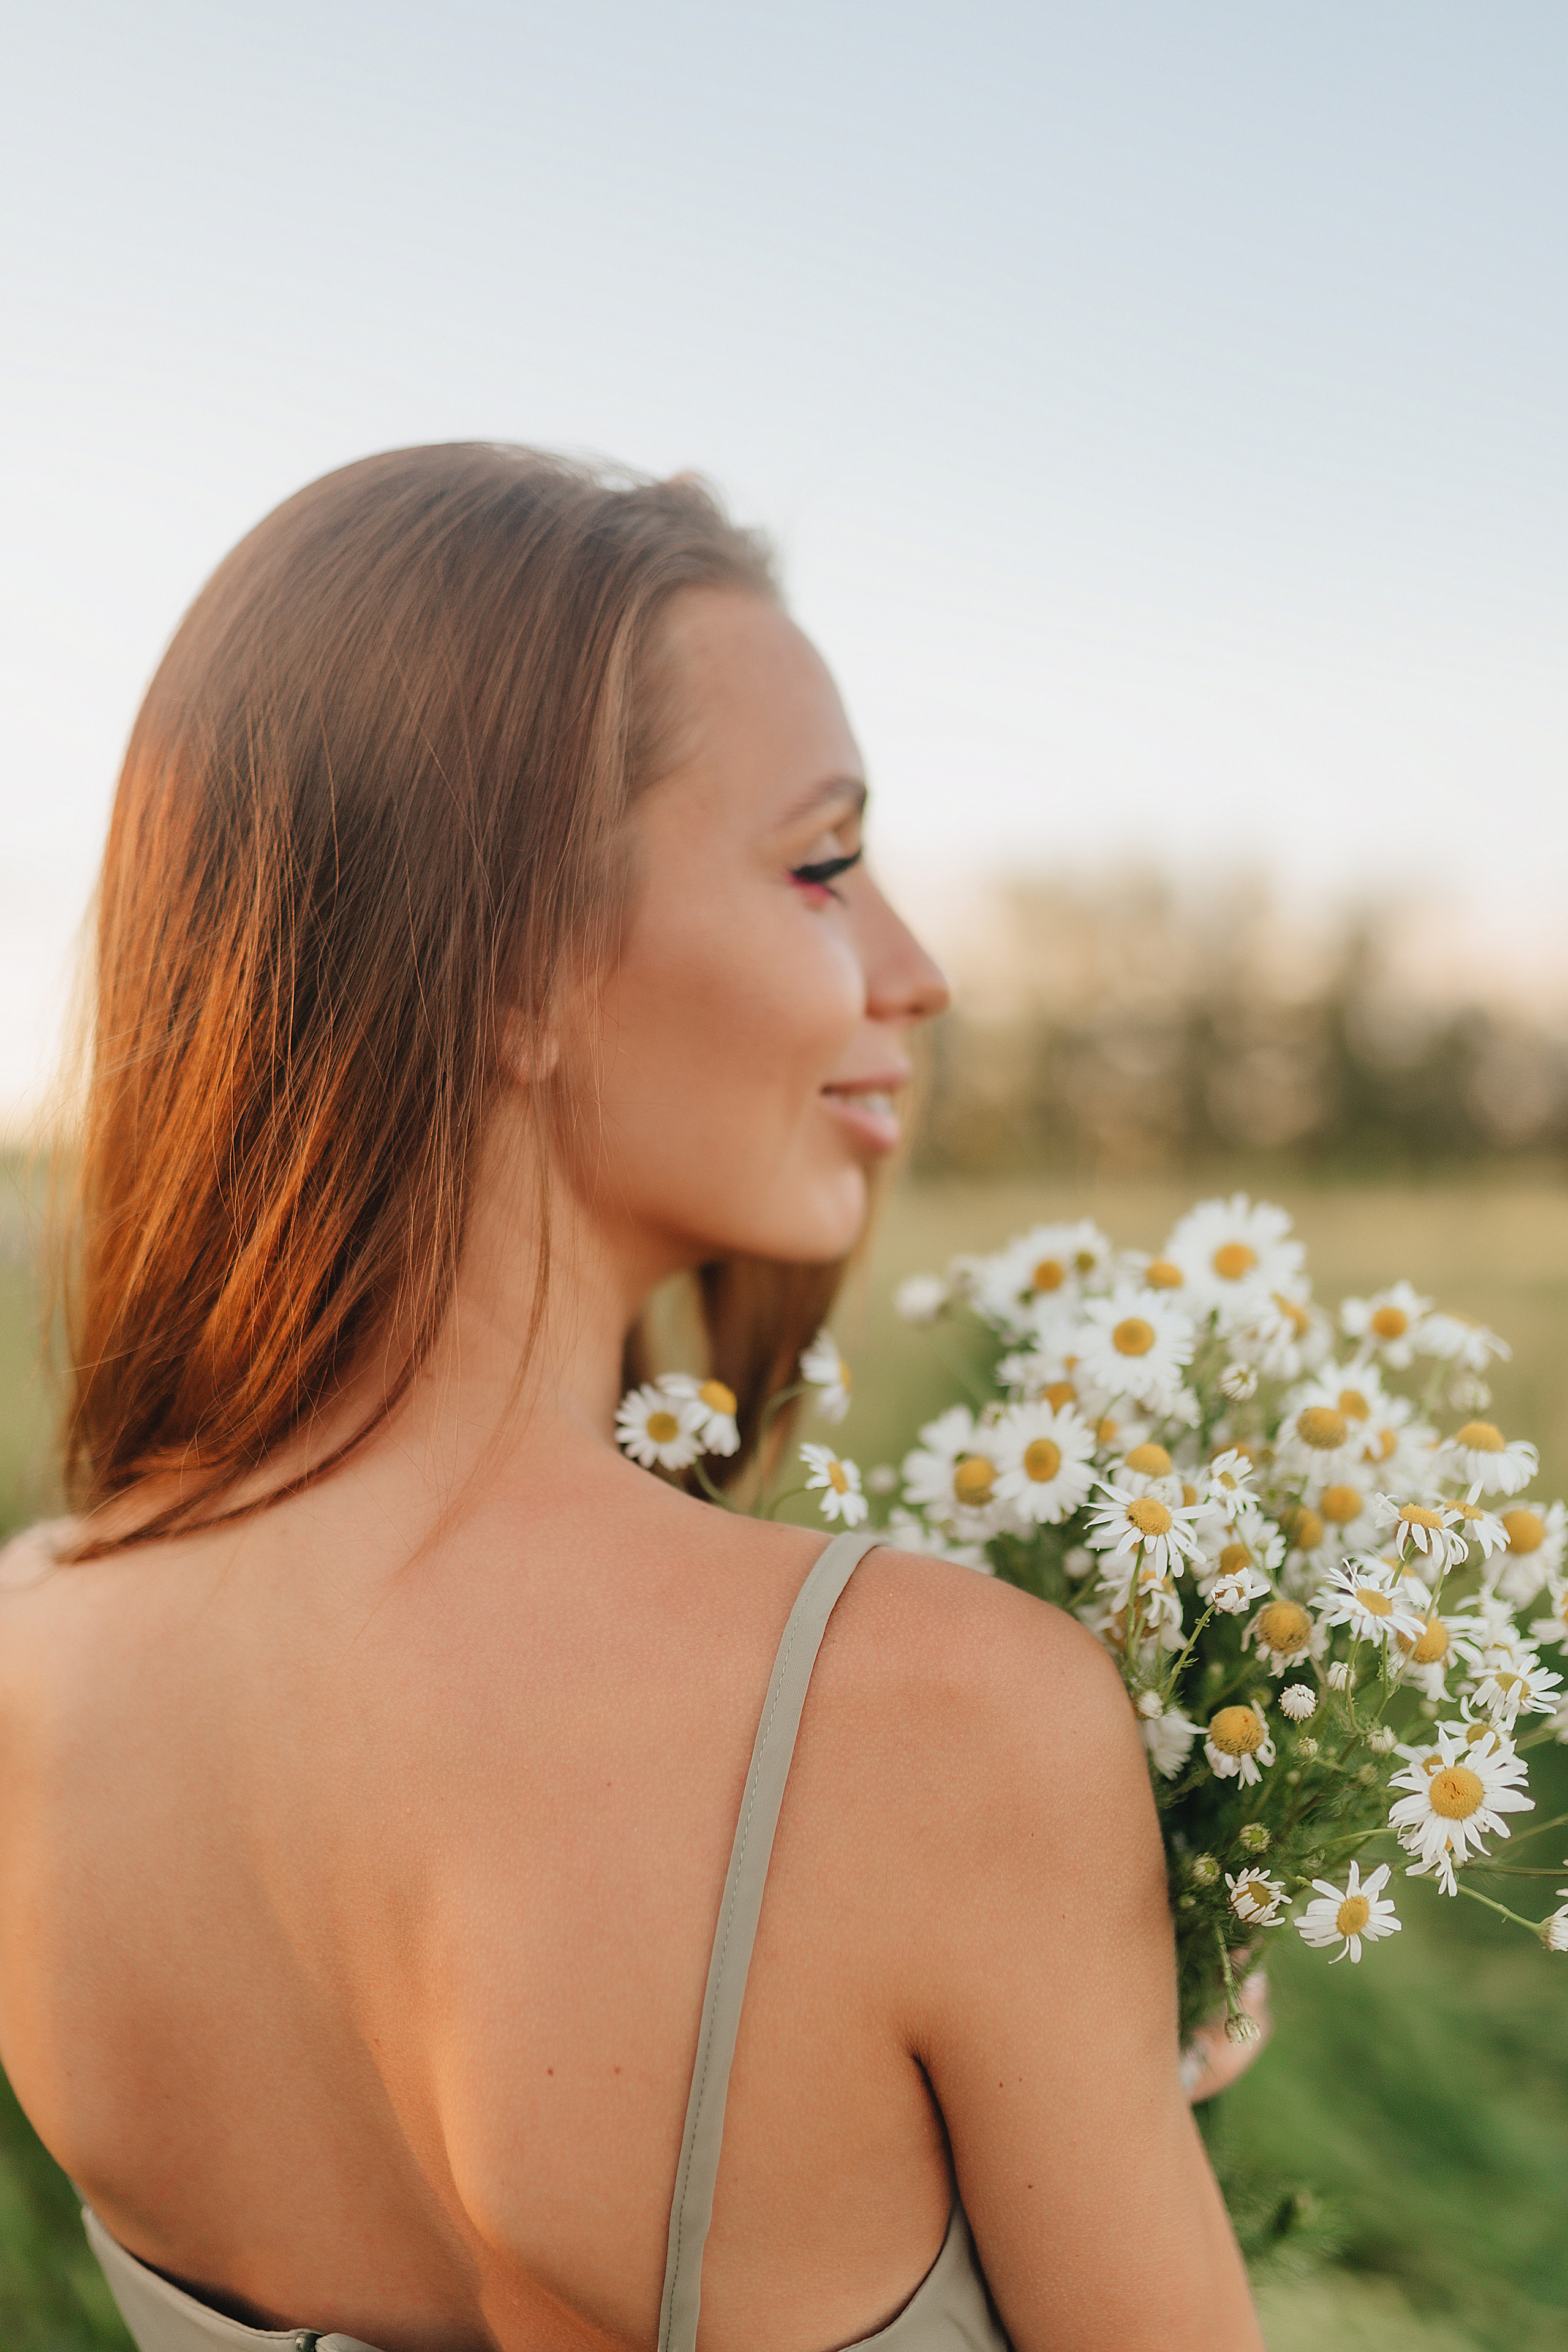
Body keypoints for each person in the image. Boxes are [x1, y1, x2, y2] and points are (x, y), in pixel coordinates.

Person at [0, 447, 1264, 2351]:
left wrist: (1073, 2061)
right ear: (508, 955)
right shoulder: (929, 1715)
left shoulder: (27, 1659)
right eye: (823, 863)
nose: (915, 971)